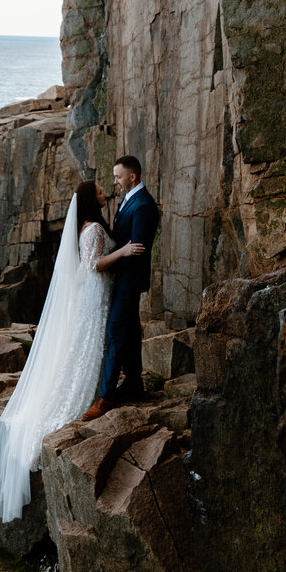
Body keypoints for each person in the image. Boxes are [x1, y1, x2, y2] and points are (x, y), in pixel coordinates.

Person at [0, 177, 146, 523]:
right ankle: (83, 397)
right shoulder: (90, 230)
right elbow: (92, 265)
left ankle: (97, 391)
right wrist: (123, 251)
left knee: (93, 346)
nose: (106, 193)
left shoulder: (91, 226)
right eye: (101, 191)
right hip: (94, 295)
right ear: (91, 200)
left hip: (98, 294)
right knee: (88, 346)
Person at [81, 155, 160, 421]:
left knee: (116, 331)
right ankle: (134, 383)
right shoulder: (128, 199)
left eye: (117, 176)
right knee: (129, 330)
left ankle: (106, 397)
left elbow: (136, 249)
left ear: (132, 177)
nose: (114, 181)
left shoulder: (144, 205)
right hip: (119, 278)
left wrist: (116, 272)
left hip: (128, 280)